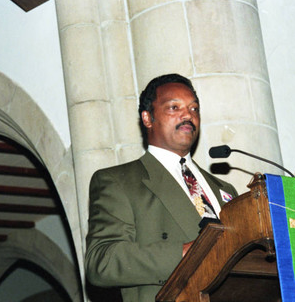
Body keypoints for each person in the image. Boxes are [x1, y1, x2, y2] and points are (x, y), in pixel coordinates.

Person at [85, 74, 238, 302]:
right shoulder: (118, 181)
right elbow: (101, 261)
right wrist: (184, 254)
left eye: (194, 109)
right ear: (148, 118)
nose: (188, 115)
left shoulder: (225, 190)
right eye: (174, 107)